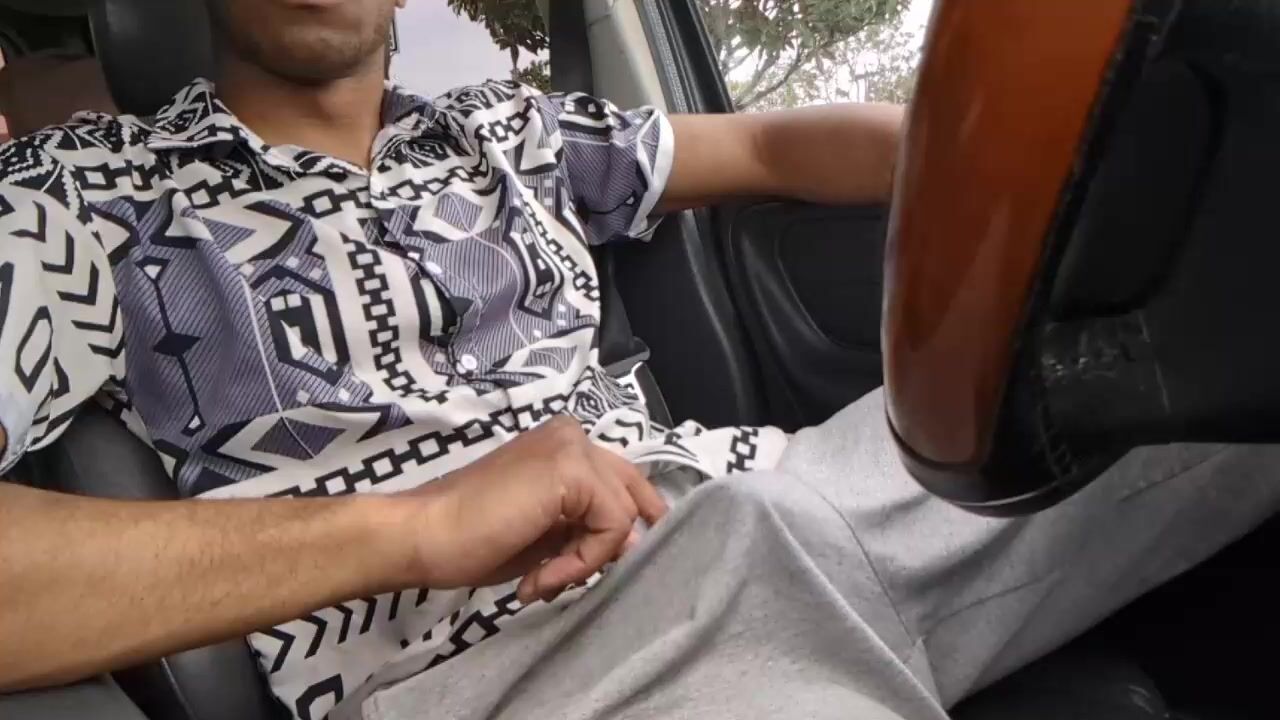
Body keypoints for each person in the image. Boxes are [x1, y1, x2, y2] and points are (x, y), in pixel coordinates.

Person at [0, 1, 1277, 719]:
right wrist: (410, 529)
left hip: (766, 505)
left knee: (1213, 372)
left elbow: (769, 149)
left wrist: (1021, 155)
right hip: (482, 670)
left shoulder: (509, 130)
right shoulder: (80, 195)